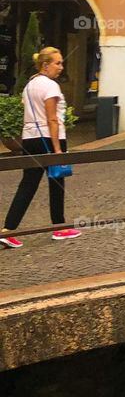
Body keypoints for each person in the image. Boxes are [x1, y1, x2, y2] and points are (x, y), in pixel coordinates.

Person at [1, 47, 80, 247]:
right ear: (45, 65)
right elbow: (52, 118)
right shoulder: (51, 86)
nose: (61, 67)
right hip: (50, 137)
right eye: (57, 63)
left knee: (28, 183)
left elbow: (26, 107)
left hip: (30, 138)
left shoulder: (30, 85)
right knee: (57, 182)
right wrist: (57, 149)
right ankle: (59, 227)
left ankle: (8, 229)